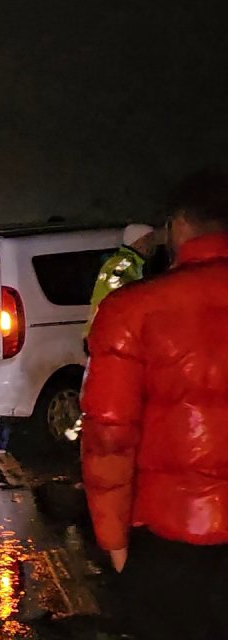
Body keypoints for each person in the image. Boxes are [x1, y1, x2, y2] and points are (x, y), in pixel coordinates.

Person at [81, 169, 228, 639]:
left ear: (179, 225)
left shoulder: (134, 309)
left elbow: (109, 435)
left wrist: (113, 538)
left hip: (170, 534)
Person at [83, 223, 156, 350]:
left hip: (109, 330)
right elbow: (113, 286)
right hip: (106, 330)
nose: (153, 245)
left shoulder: (134, 263)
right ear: (138, 241)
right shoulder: (123, 262)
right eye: (150, 240)